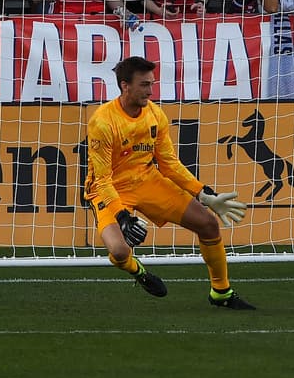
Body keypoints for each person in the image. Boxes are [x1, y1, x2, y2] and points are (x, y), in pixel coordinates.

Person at [85, 56, 254, 308]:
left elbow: (169, 164)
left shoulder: (155, 115)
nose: (150, 91)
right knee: (119, 252)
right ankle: (138, 271)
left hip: (146, 180)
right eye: (144, 85)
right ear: (125, 86)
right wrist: (122, 216)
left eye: (152, 84)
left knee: (208, 224)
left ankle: (221, 292)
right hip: (108, 189)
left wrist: (203, 194)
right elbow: (103, 178)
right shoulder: (102, 122)